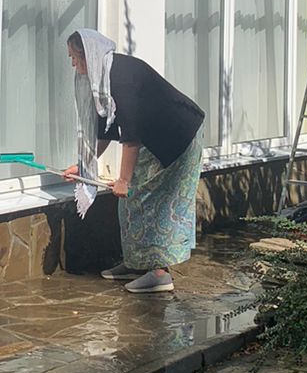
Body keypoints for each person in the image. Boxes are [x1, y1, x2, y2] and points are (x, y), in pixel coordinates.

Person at [63, 29, 205, 294]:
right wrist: (83, 166)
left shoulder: (120, 78)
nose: (72, 64)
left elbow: (131, 138)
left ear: (88, 55)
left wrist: (124, 181)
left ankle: (160, 274)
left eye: (74, 57)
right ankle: (136, 263)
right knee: (130, 203)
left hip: (179, 139)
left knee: (155, 205)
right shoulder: (102, 79)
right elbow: (106, 132)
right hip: (155, 140)